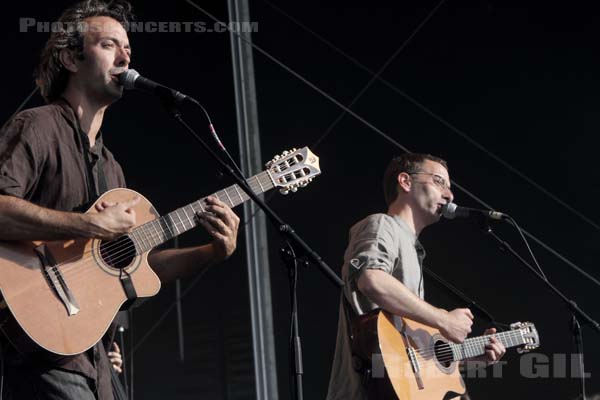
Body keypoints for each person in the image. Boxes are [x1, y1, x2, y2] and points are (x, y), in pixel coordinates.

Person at [0, 1, 240, 399]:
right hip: (40, 354)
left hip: (94, 362)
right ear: (71, 59)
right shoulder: (36, 127)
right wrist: (87, 224)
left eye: (127, 48)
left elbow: (136, 268)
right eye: (109, 44)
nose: (125, 56)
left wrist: (212, 252)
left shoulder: (112, 171)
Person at [326, 153, 506, 399]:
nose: (449, 194)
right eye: (438, 181)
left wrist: (468, 358)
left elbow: (409, 355)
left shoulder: (413, 250)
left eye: (449, 187)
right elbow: (372, 279)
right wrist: (443, 320)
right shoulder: (382, 225)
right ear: (406, 182)